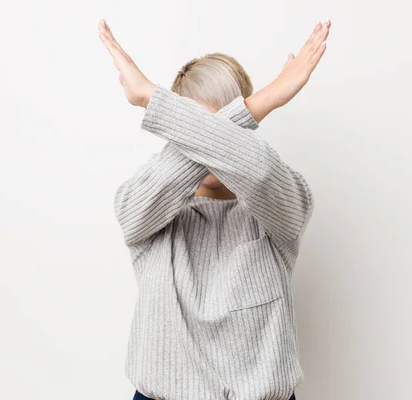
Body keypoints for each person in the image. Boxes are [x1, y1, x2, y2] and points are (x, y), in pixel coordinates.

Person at [99, 17, 331, 400]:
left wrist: (151, 100)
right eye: (196, 130)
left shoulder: (282, 201)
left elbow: (257, 170)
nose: (209, 146)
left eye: (224, 129)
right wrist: (258, 104)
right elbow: (142, 203)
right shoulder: (145, 201)